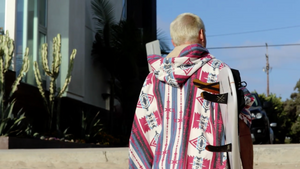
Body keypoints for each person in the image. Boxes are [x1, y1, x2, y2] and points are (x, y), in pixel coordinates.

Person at [129, 13, 254, 169]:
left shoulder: (153, 78)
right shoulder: (221, 73)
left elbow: (142, 135)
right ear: (201, 34)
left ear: (174, 41)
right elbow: (242, 129)